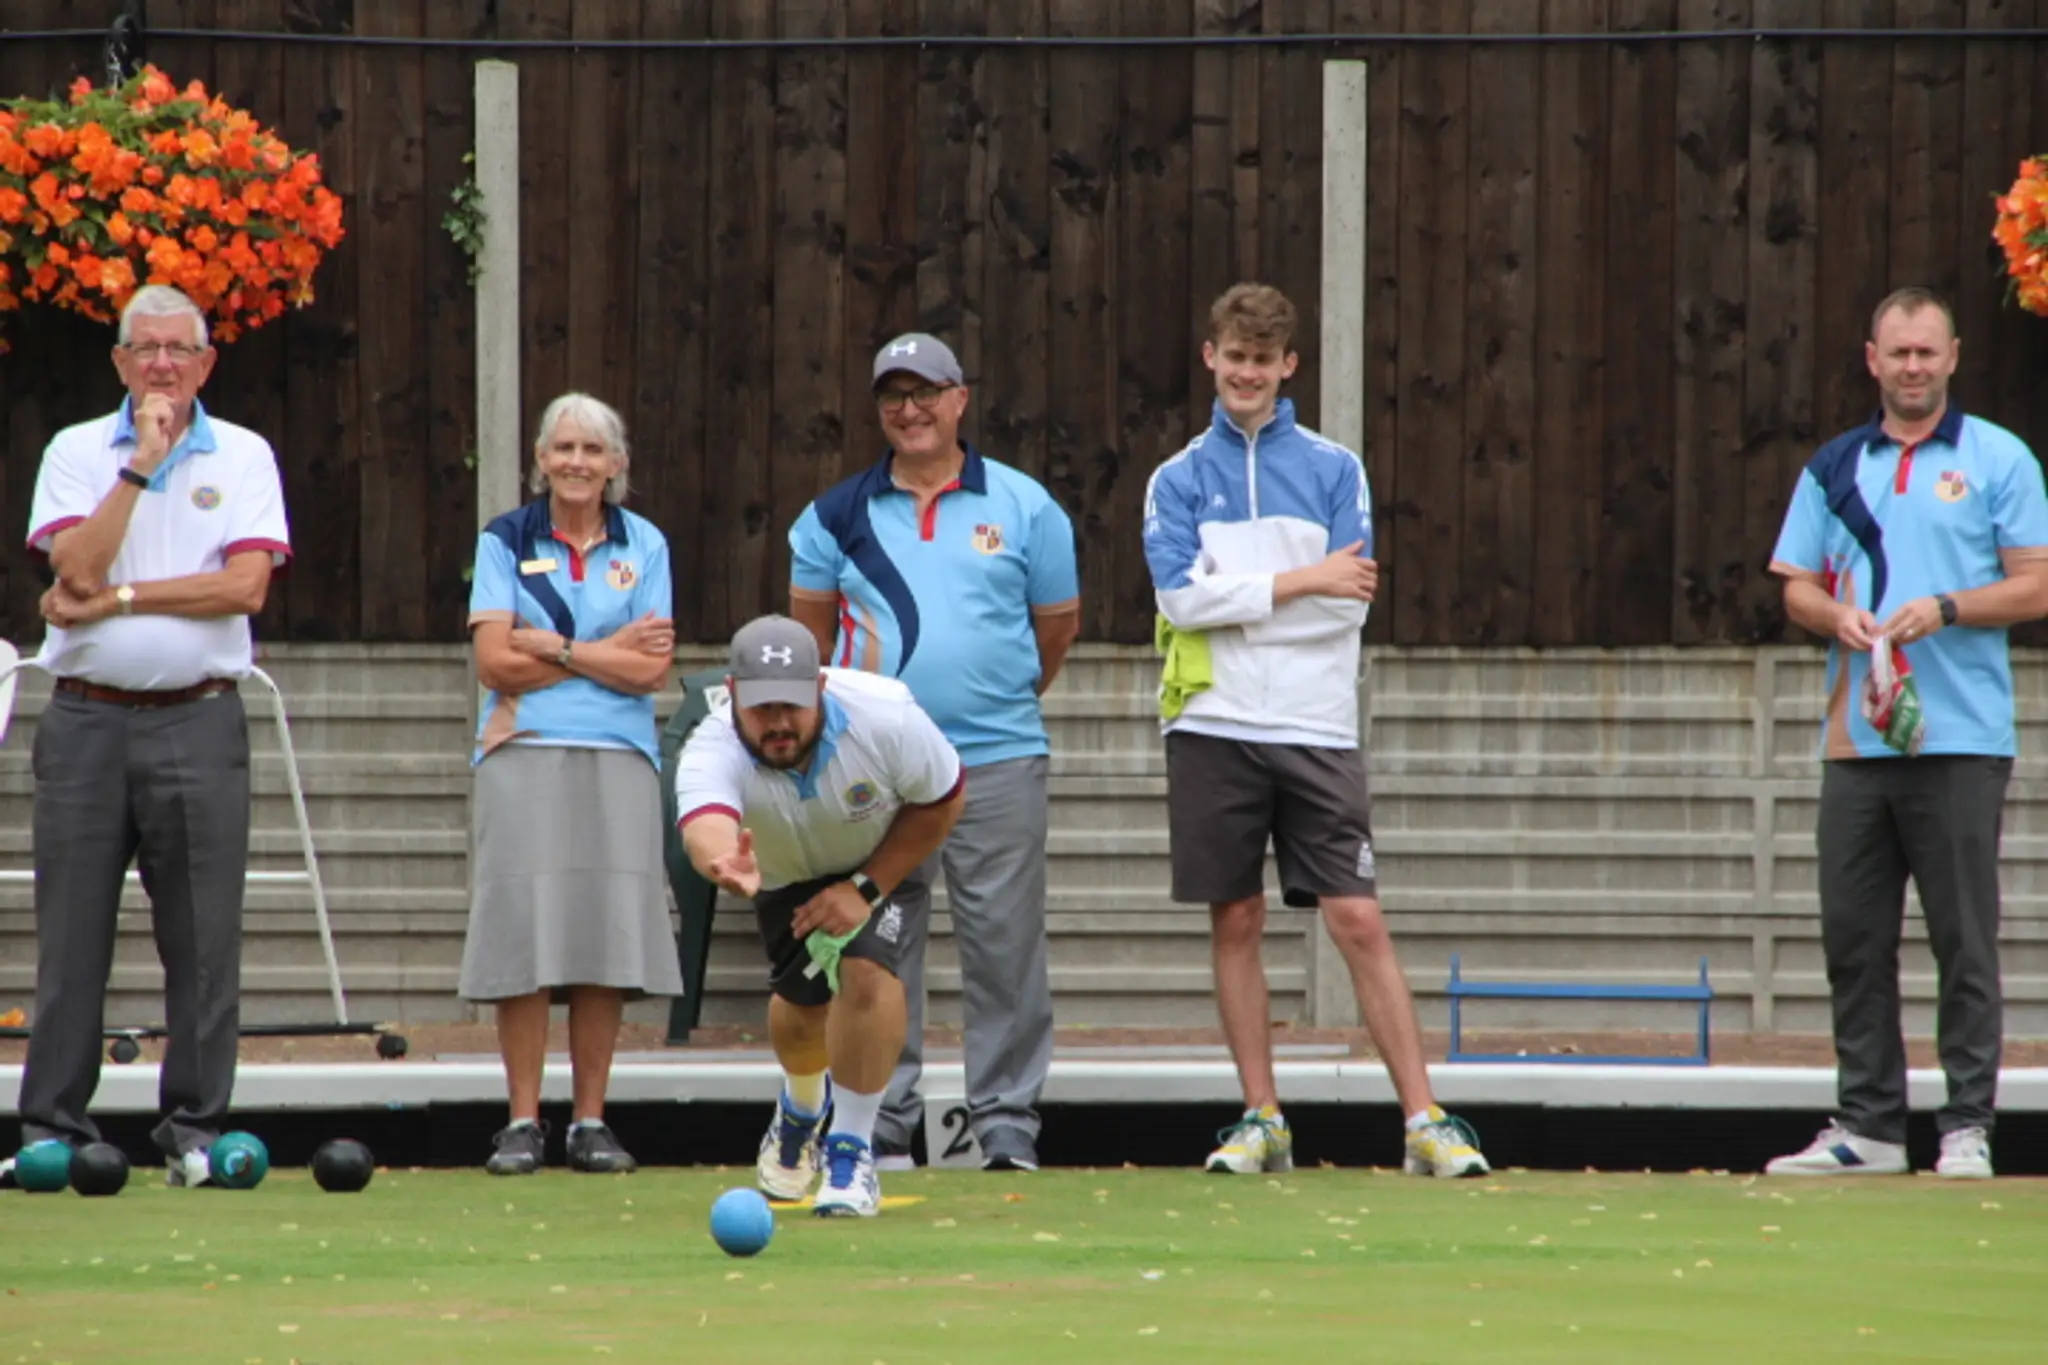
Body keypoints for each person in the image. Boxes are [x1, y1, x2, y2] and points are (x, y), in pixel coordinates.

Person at [1141, 282, 1489, 1178]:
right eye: (1234, 356)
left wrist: (1243, 598)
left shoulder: (1337, 469)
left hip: (1317, 727)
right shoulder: (1175, 479)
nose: (1247, 373)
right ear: (1210, 358)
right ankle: (1263, 1119)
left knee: (1358, 918)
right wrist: (1300, 580)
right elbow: (1179, 601)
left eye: (1264, 359)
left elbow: (1349, 612)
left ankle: (1424, 1120)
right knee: (1238, 919)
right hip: (1212, 725)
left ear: (1287, 365)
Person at [5, 284, 290, 1189]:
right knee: (72, 931)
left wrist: (124, 596)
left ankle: (196, 1129)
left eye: (180, 348)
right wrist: (140, 467)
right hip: (85, 717)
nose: (163, 364)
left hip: (200, 718)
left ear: (206, 363)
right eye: (146, 348)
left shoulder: (244, 454)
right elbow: (72, 565)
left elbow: (243, 588)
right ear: (121, 362)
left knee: (205, 938)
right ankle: (53, 1125)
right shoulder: (76, 451)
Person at [1764, 287, 2048, 1180]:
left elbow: (2037, 585)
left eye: (1928, 353)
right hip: (1858, 739)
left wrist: (1948, 607)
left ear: (1953, 357)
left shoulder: (2000, 458)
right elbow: (1795, 584)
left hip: (1962, 738)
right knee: (1854, 936)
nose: (1913, 367)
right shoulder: (1834, 465)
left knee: (1964, 937)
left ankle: (1967, 1125)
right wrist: (1836, 616)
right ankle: (1872, 1126)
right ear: (1871, 358)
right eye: (1899, 353)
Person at [786, 332, 1079, 1173]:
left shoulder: (1026, 507)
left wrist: (989, 698)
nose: (909, 410)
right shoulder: (833, 515)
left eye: (925, 393)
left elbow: (1054, 631)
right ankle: (880, 1119)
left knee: (1006, 945)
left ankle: (1006, 1123)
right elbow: (810, 653)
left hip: (996, 758)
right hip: (873, 772)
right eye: (893, 396)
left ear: (960, 399)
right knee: (875, 942)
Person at [676, 615, 966, 1216]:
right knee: (802, 1017)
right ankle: (802, 1105)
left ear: (821, 690)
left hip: (882, 857)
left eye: (792, 705)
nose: (779, 723)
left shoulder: (887, 717)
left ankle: (851, 1153)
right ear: (732, 695)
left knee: (866, 971)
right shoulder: (710, 745)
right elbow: (705, 822)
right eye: (762, 708)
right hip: (780, 875)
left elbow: (943, 800)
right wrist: (724, 862)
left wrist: (866, 887)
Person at [460, 392, 681, 1176]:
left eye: (594, 448)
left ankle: (590, 1120)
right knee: (525, 934)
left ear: (616, 463)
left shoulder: (645, 543)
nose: (578, 462)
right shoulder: (505, 540)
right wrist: (600, 650)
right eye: (564, 448)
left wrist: (553, 646)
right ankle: (522, 1120)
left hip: (620, 755)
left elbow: (650, 670)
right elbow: (493, 663)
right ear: (541, 459)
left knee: (599, 937)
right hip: (520, 750)